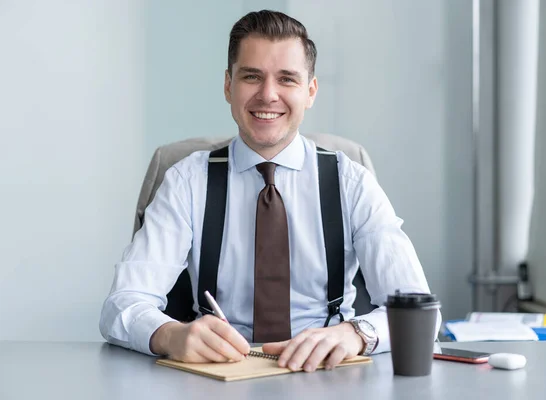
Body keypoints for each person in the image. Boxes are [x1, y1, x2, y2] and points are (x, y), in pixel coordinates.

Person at [99, 9, 440, 372]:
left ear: (310, 92)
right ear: (228, 85)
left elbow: (421, 314)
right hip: (216, 378)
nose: (268, 95)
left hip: (329, 375)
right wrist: (171, 335)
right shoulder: (187, 181)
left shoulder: (350, 181)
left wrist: (354, 334)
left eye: (287, 79)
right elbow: (120, 306)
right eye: (251, 77)